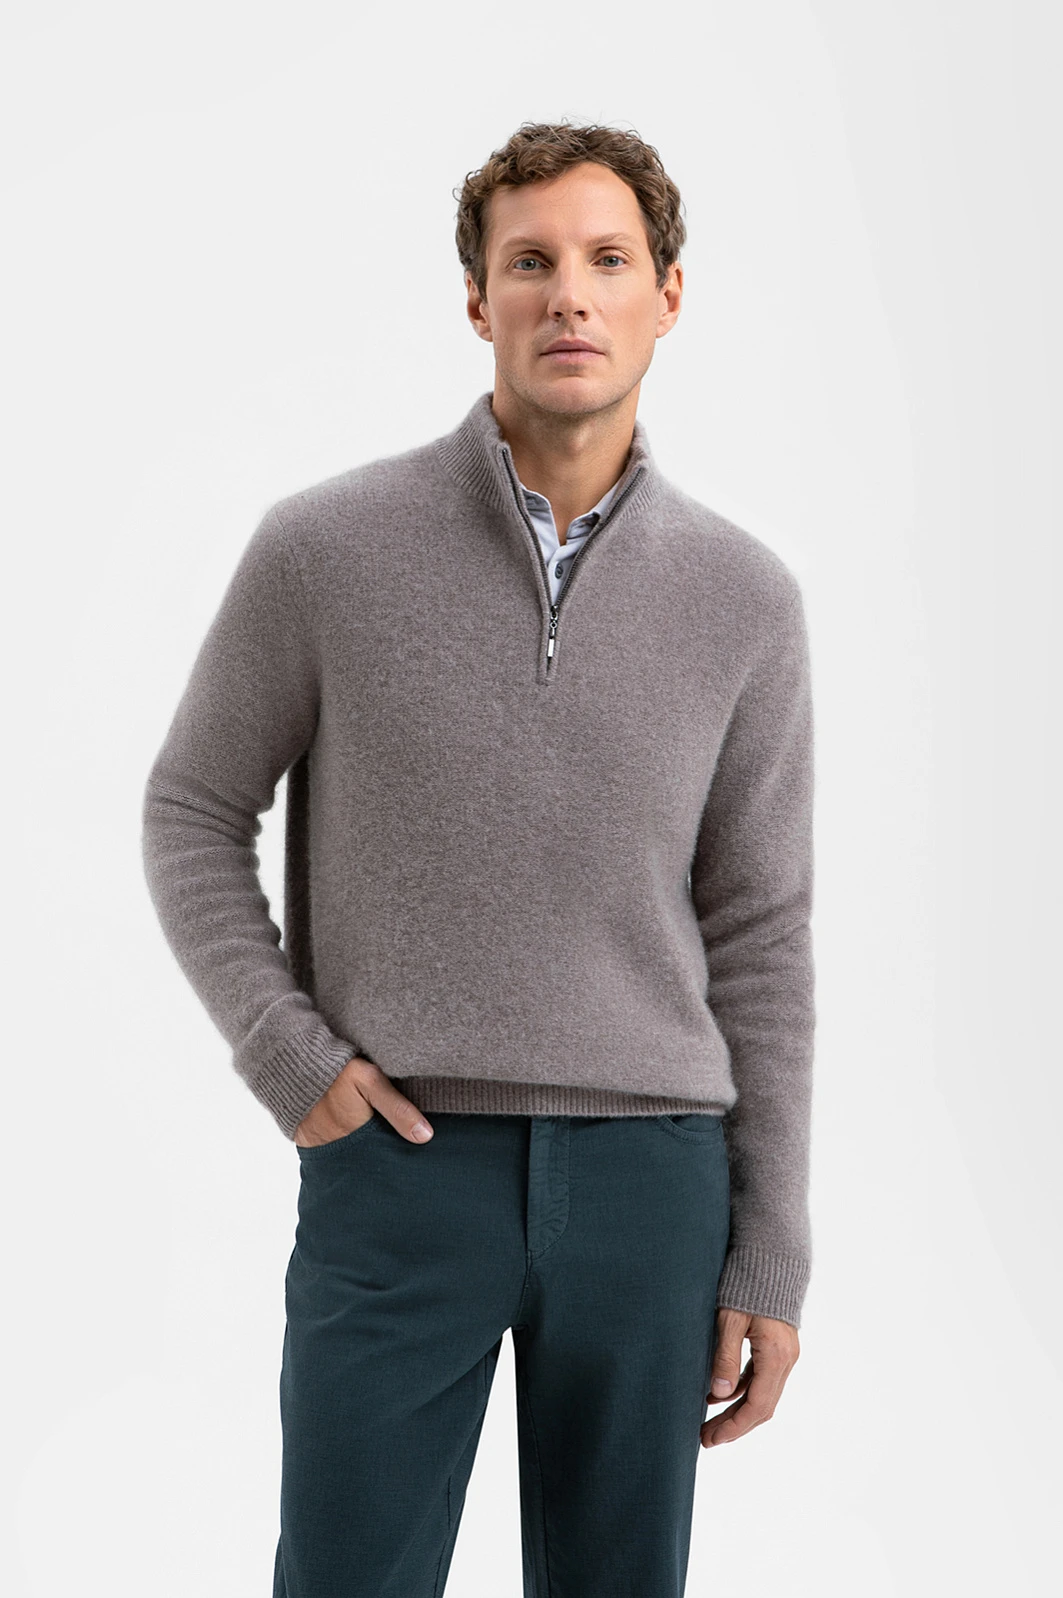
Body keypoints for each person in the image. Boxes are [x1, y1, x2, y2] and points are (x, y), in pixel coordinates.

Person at [142, 119, 816, 1598]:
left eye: (607, 260)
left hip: (653, 1182)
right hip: (401, 1165)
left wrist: (769, 1244)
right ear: (477, 299)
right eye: (530, 262)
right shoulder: (325, 549)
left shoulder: (745, 598)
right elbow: (191, 808)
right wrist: (290, 1058)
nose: (569, 294)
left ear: (668, 296)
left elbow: (760, 930)